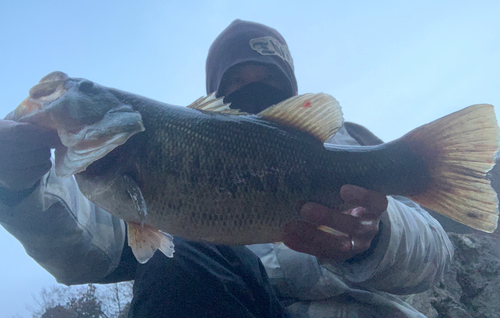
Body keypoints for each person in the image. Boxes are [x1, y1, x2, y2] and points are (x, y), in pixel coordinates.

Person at [0, 19, 453, 318]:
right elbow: (87, 249)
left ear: (293, 92)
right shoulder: (144, 156)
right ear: (214, 93)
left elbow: (436, 258)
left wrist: (378, 237)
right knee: (172, 258)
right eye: (235, 80)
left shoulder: (349, 147)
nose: (251, 88)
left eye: (268, 79)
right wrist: (15, 184)